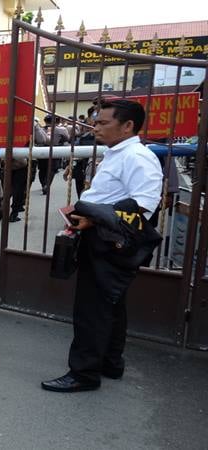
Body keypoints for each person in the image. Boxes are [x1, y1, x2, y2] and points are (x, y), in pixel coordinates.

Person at [42, 99, 162, 393]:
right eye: (95, 122)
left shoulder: (137, 157)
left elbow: (144, 205)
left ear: (128, 126)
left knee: (92, 309)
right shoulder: (117, 154)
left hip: (110, 243)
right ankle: (110, 362)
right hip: (102, 237)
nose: (95, 127)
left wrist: (94, 219)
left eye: (103, 123)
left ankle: (83, 373)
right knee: (110, 303)